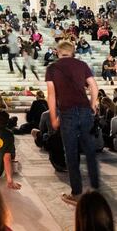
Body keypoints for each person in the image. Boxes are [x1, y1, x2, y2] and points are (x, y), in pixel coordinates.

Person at [46, 40, 99, 203]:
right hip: (84, 110)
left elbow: (52, 95)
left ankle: (76, 193)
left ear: (57, 52)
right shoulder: (82, 64)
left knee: (71, 152)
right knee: (89, 149)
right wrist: (92, 104)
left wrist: (54, 117)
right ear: (73, 52)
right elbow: (94, 86)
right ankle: (96, 187)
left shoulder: (52, 68)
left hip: (67, 112)